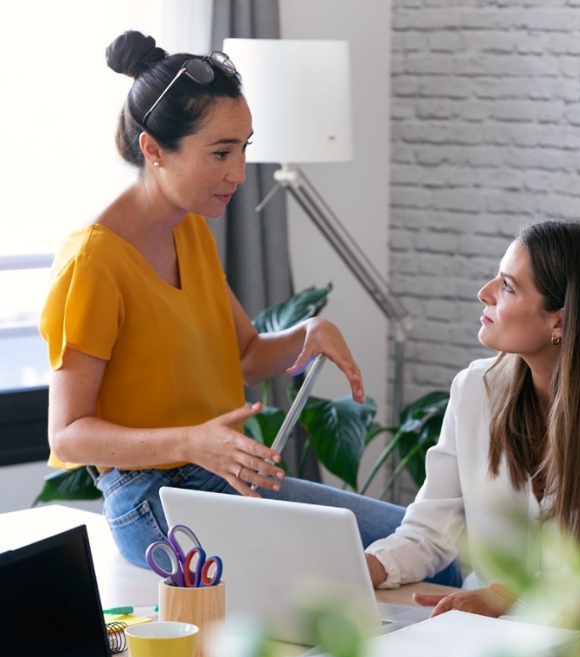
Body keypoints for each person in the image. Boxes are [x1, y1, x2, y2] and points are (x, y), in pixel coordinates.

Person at [39, 30, 458, 587]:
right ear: (154, 149)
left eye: (243, 148)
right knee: (380, 573)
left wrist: (311, 331)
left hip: (224, 476)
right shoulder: (93, 262)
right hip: (152, 500)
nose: (238, 172)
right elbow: (67, 434)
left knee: (430, 555)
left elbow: (244, 355)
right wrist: (190, 441)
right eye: (219, 152)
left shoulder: (188, 229)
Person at [363, 218, 580, 617]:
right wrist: (360, 569)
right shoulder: (474, 389)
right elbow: (428, 532)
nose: (484, 293)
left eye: (507, 286)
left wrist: (512, 599)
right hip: (476, 630)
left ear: (560, 320)